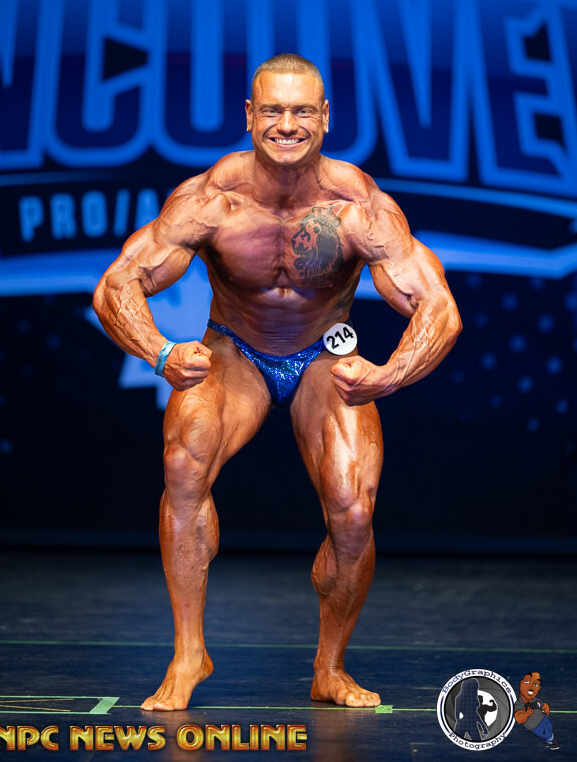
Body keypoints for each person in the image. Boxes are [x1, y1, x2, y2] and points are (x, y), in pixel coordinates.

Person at [92, 53, 462, 710]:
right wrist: (160, 353)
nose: (286, 125)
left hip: (323, 355)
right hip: (235, 351)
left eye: (301, 111)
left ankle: (330, 668)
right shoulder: (211, 201)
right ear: (249, 115)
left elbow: (439, 309)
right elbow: (117, 284)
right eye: (272, 110)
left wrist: (387, 376)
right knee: (183, 463)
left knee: (353, 509)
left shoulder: (359, 207)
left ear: (326, 117)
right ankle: (188, 653)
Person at [514, 672, 559, 750]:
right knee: (547, 735)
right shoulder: (519, 704)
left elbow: (543, 705)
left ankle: (549, 742)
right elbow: (519, 718)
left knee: (550, 727)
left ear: (539, 688)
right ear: (521, 683)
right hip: (534, 726)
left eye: (535, 684)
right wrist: (526, 715)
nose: (531, 686)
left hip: (543, 718)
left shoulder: (535, 699)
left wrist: (546, 710)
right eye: (527, 681)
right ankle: (553, 740)